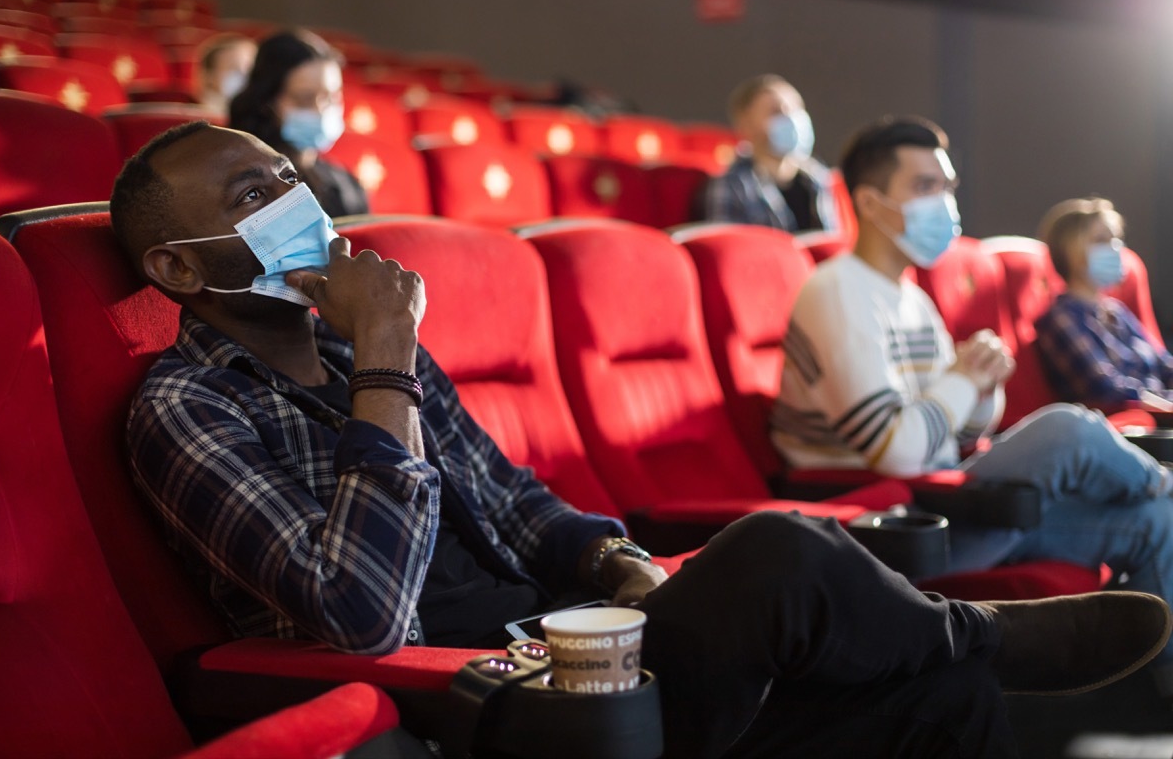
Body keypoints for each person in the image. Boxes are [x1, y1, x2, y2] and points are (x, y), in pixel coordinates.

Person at [110, 121, 1171, 758]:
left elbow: (514, 497)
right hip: (477, 701)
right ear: (182, 271)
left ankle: (970, 651)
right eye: (257, 196)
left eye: (291, 178)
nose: (297, 203)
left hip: (587, 648)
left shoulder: (358, 356)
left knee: (941, 699)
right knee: (776, 549)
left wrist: (619, 562)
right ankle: (984, 630)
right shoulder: (187, 407)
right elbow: (361, 611)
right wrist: (386, 349)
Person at [771, 115, 1173, 697]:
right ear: (870, 200)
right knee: (1068, 429)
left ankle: (1160, 699)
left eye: (948, 187)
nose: (945, 203)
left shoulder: (911, 298)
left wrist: (982, 388)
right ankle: (1161, 480)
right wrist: (961, 381)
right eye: (925, 187)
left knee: (1157, 522)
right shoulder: (836, 291)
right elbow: (897, 451)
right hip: (884, 525)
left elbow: (957, 434)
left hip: (950, 498)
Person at [1035, 197, 1173, 413]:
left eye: (1116, 238)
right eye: (1101, 240)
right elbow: (1103, 387)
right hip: (1127, 426)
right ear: (1071, 252)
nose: (1115, 248)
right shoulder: (1062, 318)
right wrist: (1162, 402)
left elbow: (1164, 365)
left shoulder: (1116, 310)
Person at [229, 29, 368, 219]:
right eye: (304, 99)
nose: (320, 110)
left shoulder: (345, 182)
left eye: (331, 97)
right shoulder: (247, 186)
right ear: (266, 102)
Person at [704, 74, 839, 233]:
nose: (791, 118)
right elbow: (730, 252)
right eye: (776, 111)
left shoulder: (818, 177)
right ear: (746, 126)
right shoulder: (732, 186)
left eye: (797, 108)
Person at [194, 33, 257, 118]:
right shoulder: (198, 120)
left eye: (251, 69)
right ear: (209, 76)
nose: (245, 75)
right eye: (234, 68)